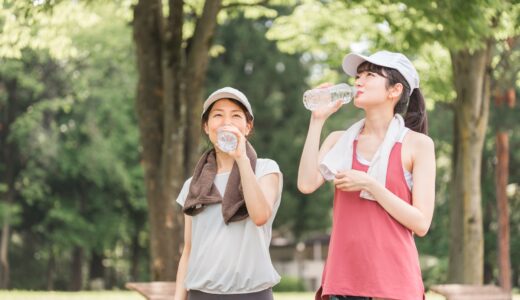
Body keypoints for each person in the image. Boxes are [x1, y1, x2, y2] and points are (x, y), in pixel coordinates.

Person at [297, 51, 436, 300]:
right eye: (358, 75)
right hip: (343, 280)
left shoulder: (417, 145)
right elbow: (306, 184)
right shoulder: (339, 140)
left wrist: (370, 184)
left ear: (394, 90)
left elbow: (421, 223)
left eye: (370, 75)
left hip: (394, 282)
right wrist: (316, 121)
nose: (358, 81)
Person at [174, 87, 283, 300]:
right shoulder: (193, 186)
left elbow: (260, 215)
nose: (227, 122)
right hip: (200, 294)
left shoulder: (265, 169)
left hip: (253, 294)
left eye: (236, 115)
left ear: (248, 126)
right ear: (206, 127)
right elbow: (188, 250)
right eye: (218, 115)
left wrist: (242, 159)